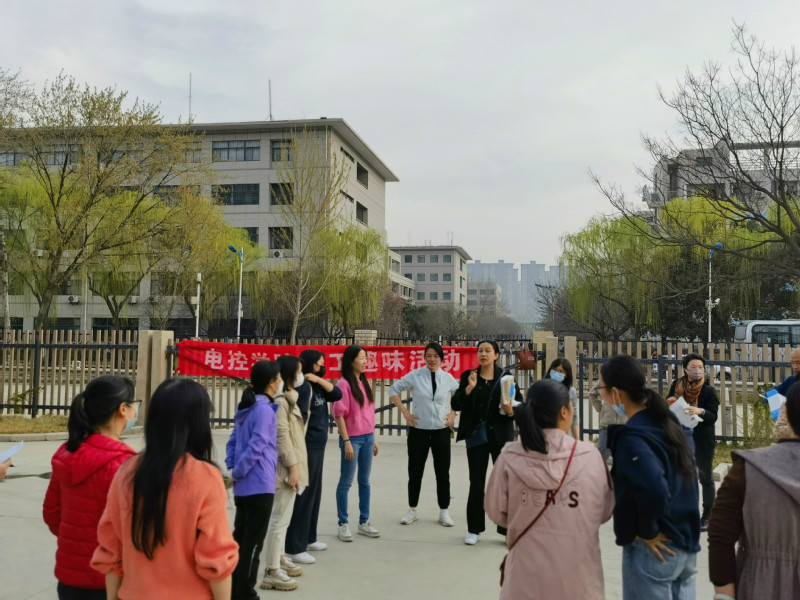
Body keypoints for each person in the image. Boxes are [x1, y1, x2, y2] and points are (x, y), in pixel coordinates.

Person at [91, 378, 238, 600]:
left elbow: (112, 552)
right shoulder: (206, 477)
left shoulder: (127, 471)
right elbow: (217, 562)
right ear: (198, 423)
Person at [485, 380, 615, 599]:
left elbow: (496, 512)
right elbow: (604, 511)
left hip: (525, 582)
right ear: (564, 412)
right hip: (579, 582)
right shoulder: (590, 456)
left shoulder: (509, 456)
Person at [600, 354, 700, 600]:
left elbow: (655, 488)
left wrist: (647, 530)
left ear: (616, 393)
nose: (601, 396)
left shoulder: (634, 437)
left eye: (602, 389)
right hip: (686, 546)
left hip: (655, 551)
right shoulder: (669, 423)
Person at [43, 375, 138, 600]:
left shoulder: (66, 453)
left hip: (69, 577)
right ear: (122, 409)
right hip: (112, 580)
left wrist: (78, 540)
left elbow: (52, 514)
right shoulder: (125, 464)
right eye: (135, 404)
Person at [708, 382, 800, 600]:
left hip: (762, 585)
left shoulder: (748, 468)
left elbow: (720, 536)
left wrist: (723, 594)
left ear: (788, 416)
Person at [451, 339, 522, 545]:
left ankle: (506, 530)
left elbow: (519, 405)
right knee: (476, 482)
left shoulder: (506, 378)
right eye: (480, 351)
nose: (483, 354)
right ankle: (474, 529)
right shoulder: (469, 376)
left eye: (487, 351)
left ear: (496, 355)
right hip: (477, 437)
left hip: (501, 437)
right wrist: (469, 389)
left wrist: (510, 410)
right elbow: (456, 403)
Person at [388, 342, 460, 527]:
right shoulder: (415, 375)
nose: (432, 359)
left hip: (441, 432)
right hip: (418, 431)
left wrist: (453, 413)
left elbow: (460, 396)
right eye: (429, 356)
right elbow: (393, 390)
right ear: (424, 357)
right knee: (415, 472)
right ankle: (412, 509)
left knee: (442, 473)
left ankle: (444, 511)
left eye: (436, 356)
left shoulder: (447, 378)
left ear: (441, 358)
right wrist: (405, 412)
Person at [226, 361, 280, 600]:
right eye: (278, 379)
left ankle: (234, 588)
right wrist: (238, 472)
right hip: (259, 484)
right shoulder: (264, 410)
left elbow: (233, 442)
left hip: (244, 487)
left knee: (240, 540)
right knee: (254, 544)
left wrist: (233, 469)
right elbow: (257, 445)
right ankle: (245, 593)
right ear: (272, 383)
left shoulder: (246, 408)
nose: (280, 382)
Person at [284, 349, 342, 565]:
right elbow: (298, 419)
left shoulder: (316, 385)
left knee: (314, 493)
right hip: (306, 446)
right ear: (309, 365)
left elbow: (337, 394)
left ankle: (309, 537)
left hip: (318, 446)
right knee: (304, 494)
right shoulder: (304, 388)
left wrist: (318, 379)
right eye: (318, 364)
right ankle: (294, 547)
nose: (322, 367)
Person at [261, 355, 308, 592]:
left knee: (284, 518)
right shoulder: (281, 402)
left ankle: (279, 558)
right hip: (284, 469)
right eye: (299, 371)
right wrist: (293, 467)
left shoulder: (289, 399)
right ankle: (271, 571)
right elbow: (282, 437)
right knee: (279, 520)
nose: (301, 376)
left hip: (290, 466)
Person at [666, 353, 719, 531]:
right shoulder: (676, 385)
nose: (697, 371)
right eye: (693, 367)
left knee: (705, 477)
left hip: (702, 439)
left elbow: (713, 416)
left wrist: (700, 411)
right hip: (680, 436)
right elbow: (668, 405)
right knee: (681, 476)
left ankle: (708, 515)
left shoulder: (708, 391)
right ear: (685, 369)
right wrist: (668, 403)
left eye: (701, 367)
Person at [333, 344, 380, 542]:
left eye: (366, 357)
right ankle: (343, 524)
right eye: (361, 357)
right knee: (346, 482)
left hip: (367, 438)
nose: (365, 361)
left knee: (364, 481)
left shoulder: (364, 382)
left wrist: (374, 438)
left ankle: (364, 522)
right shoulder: (343, 384)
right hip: (352, 439)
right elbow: (339, 414)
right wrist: (346, 441)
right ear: (351, 361)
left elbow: (369, 413)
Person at [589, 379, 626, 463]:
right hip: (606, 425)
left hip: (624, 427)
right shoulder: (606, 379)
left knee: (623, 458)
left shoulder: (630, 379)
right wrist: (601, 410)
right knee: (601, 456)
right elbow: (592, 394)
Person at [545, 358, 580, 439]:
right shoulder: (543, 388)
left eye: (561, 371)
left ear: (566, 375)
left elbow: (574, 417)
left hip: (564, 437)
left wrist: (577, 440)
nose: (557, 373)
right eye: (555, 370)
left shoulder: (570, 391)